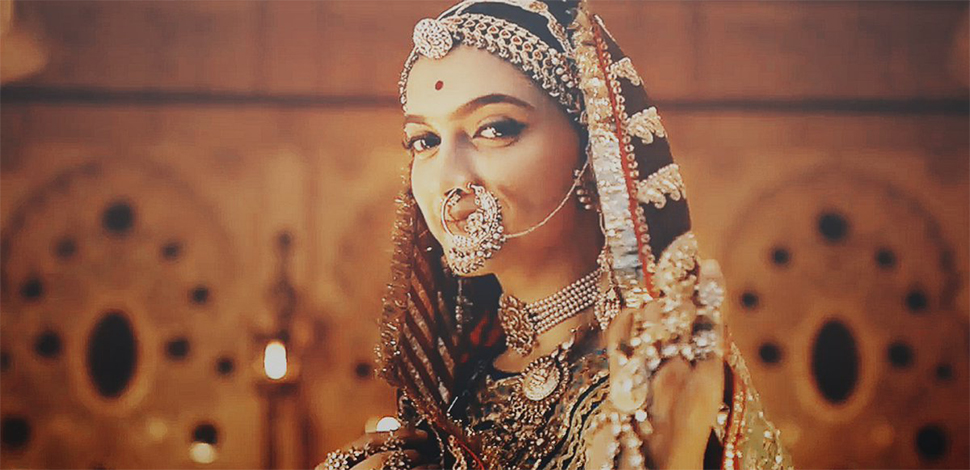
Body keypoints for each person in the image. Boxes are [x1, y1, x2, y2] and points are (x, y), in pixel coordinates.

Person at [321, 1, 792, 469]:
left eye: (493, 129)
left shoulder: (666, 383)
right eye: (425, 141)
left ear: (592, 153)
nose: (447, 176)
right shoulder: (452, 396)